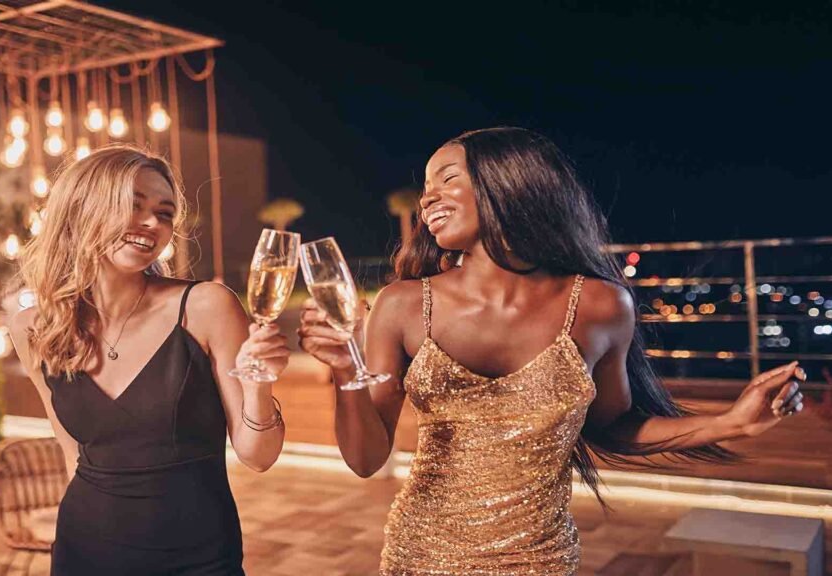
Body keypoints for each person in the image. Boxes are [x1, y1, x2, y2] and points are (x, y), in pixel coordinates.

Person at [297, 127, 805, 575]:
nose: (428, 198)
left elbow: (613, 426)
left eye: (447, 179)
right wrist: (346, 371)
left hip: (538, 560)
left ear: (507, 183)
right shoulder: (404, 305)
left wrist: (732, 422)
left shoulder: (600, 306)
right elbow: (365, 459)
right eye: (426, 186)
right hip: (422, 555)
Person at [8, 144, 289, 575]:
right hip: (85, 551)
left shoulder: (205, 307)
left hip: (197, 557)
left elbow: (258, 456)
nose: (152, 223)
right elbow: (73, 453)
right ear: (81, 209)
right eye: (132, 205)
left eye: (164, 212)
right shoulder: (34, 325)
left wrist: (259, 385)